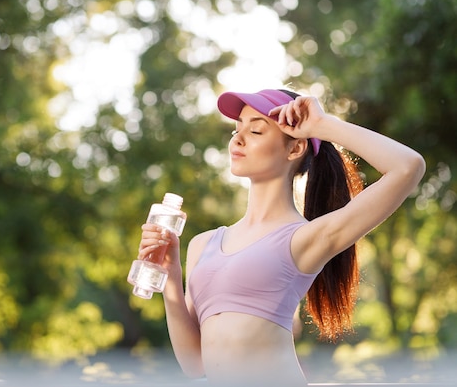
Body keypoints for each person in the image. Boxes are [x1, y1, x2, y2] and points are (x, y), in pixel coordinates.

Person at [137, 89, 425, 386]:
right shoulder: (202, 244)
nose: (237, 139)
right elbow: (195, 364)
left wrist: (322, 125)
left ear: (294, 149)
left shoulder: (303, 239)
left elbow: (408, 166)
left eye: (256, 130)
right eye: (237, 130)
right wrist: (169, 275)